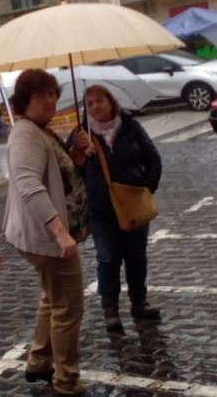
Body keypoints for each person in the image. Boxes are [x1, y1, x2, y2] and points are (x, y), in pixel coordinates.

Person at [4, 69, 90, 396]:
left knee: (51, 297)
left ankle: (39, 359)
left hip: (42, 237)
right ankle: (67, 380)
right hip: (46, 239)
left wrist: (77, 154)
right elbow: (28, 184)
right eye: (41, 95)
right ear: (25, 100)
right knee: (68, 308)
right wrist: (59, 232)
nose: (50, 100)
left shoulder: (41, 131)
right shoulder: (26, 134)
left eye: (53, 93)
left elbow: (59, 176)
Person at [68, 85, 162, 333]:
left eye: (99, 101)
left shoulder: (129, 126)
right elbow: (69, 171)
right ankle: (110, 309)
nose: (95, 106)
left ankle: (139, 302)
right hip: (101, 209)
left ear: (111, 102)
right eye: (89, 104)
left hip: (132, 204)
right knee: (107, 258)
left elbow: (152, 157)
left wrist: (146, 187)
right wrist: (79, 151)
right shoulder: (80, 133)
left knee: (136, 256)